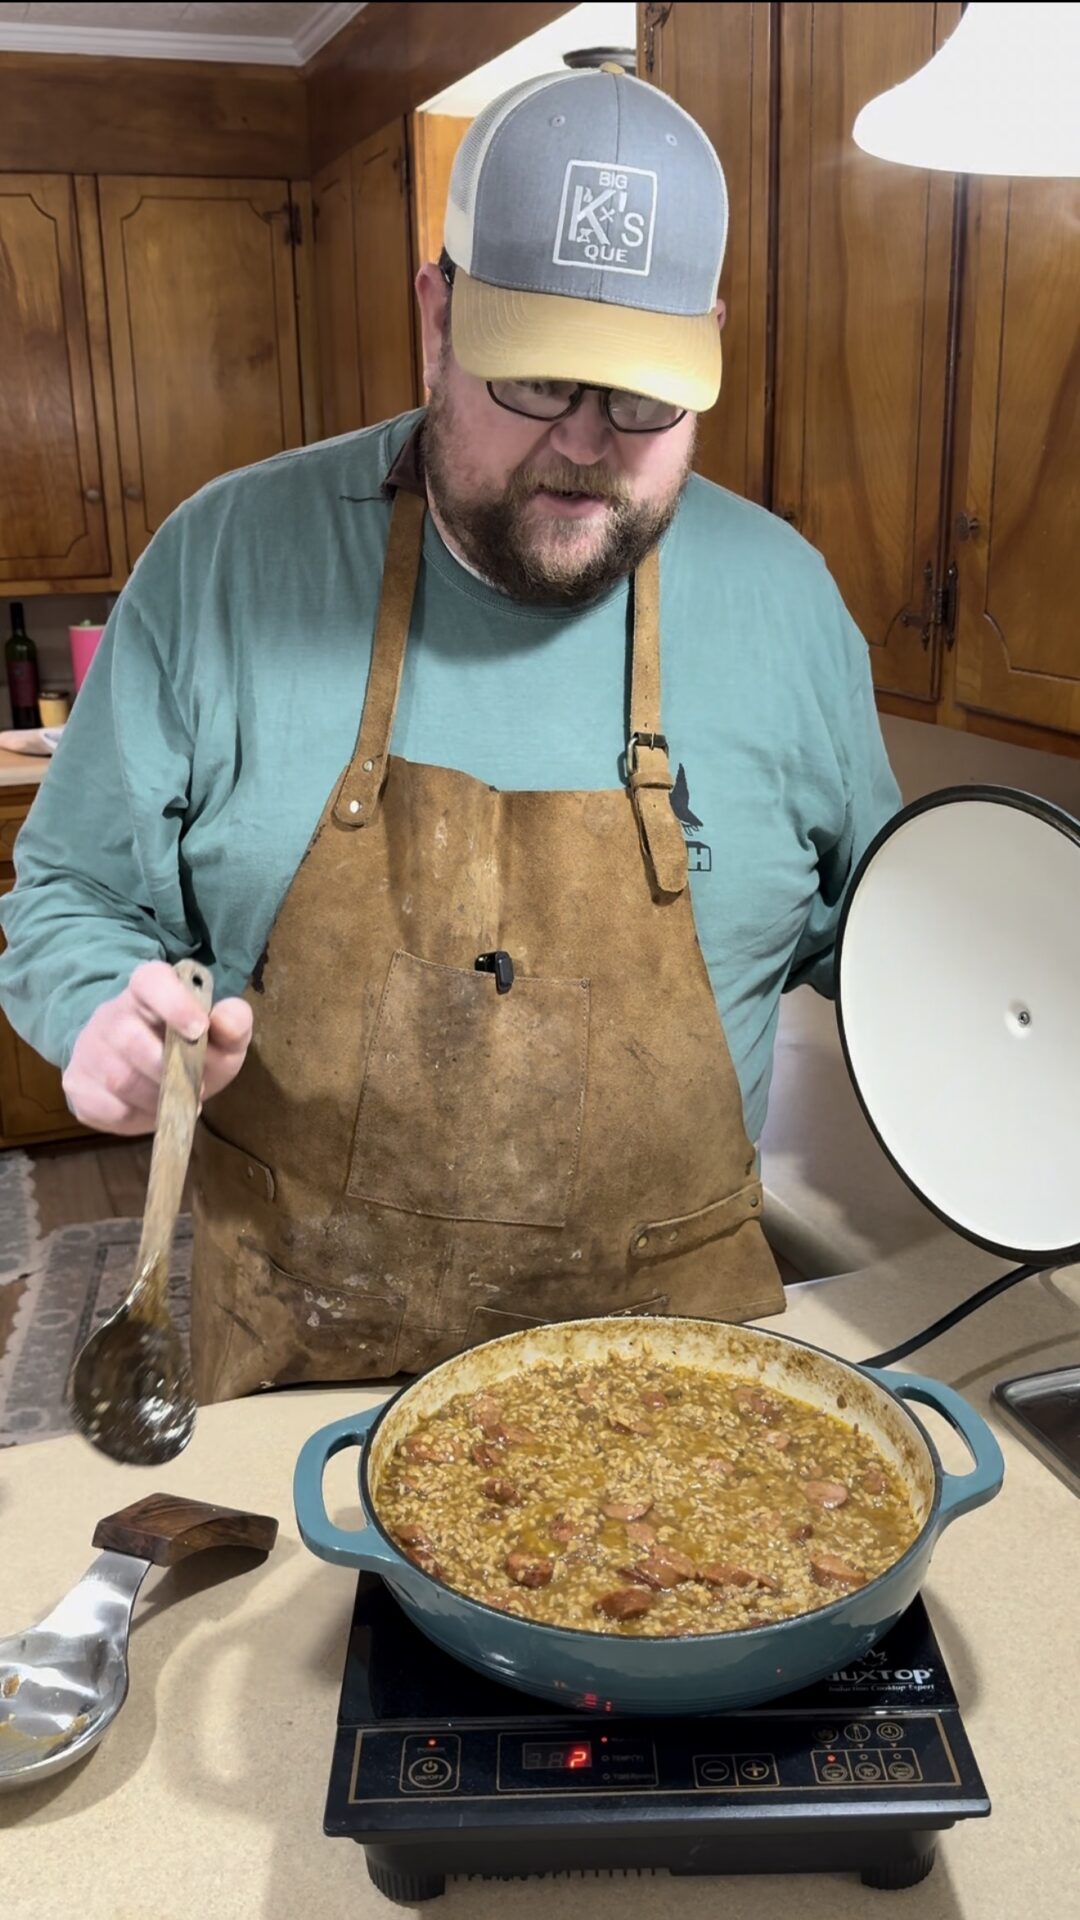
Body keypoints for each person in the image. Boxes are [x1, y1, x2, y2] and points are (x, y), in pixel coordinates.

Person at [0, 67, 900, 1401]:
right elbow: (68, 897)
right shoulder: (225, 564)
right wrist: (100, 1022)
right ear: (439, 314)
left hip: (682, 1408)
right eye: (536, 378)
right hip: (305, 1383)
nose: (586, 447)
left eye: (645, 398)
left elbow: (897, 945)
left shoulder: (789, 607)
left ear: (708, 341)